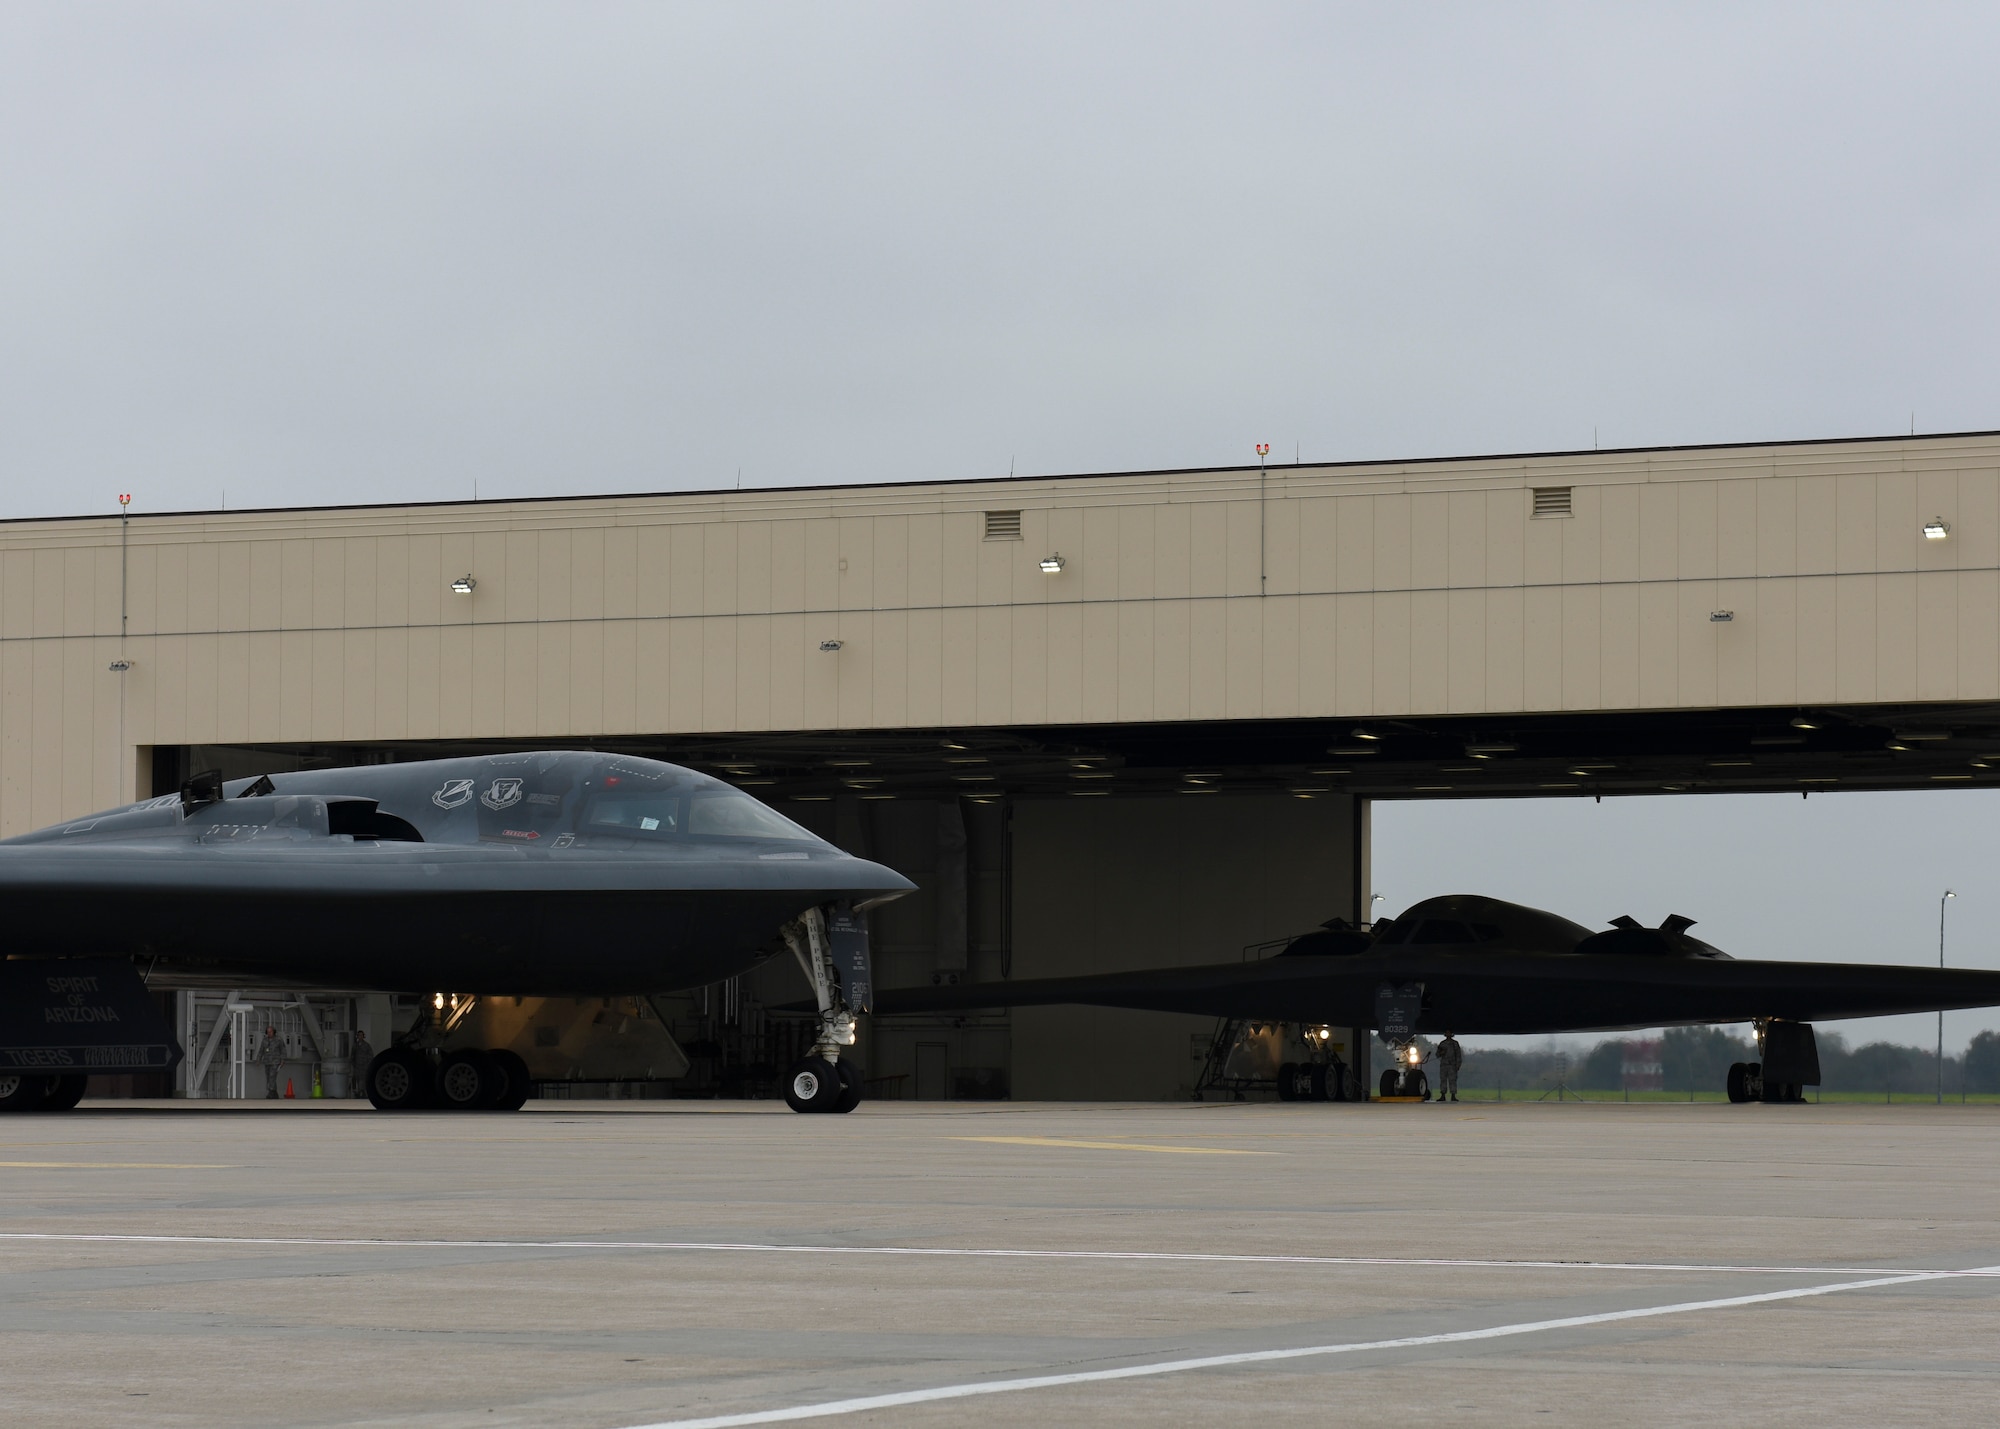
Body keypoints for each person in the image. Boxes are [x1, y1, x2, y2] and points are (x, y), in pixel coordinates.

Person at [258, 1024, 285, 1099]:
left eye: (271, 1032)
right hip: (267, 1061)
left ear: (274, 1032)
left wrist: (282, 1060)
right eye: (268, 1032)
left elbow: (283, 1050)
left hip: (275, 1062)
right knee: (268, 1077)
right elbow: (261, 1050)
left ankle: (271, 1092)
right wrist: (258, 1059)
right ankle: (274, 1093)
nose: (269, 1033)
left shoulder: (279, 1040)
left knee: (272, 1076)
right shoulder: (265, 1040)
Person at [1436, 1032, 1464, 1103]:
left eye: (1449, 1033)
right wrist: (1441, 1052)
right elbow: (1437, 1054)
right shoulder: (1442, 1044)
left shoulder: (1455, 1044)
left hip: (1452, 1065)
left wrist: (1458, 1065)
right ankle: (1443, 1095)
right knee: (1443, 1080)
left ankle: (1453, 1095)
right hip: (1444, 1065)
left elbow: (1458, 1055)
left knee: (1452, 1080)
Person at [350, 1029, 375, 1094]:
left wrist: (367, 1062)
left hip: (364, 1066)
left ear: (363, 1036)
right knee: (357, 1078)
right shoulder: (355, 1045)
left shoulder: (367, 1045)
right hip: (357, 1066)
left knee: (363, 1079)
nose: (360, 1036)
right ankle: (358, 1091)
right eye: (359, 1035)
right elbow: (352, 1055)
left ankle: (363, 1091)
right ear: (357, 1036)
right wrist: (353, 1063)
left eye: (361, 1035)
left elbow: (371, 1055)